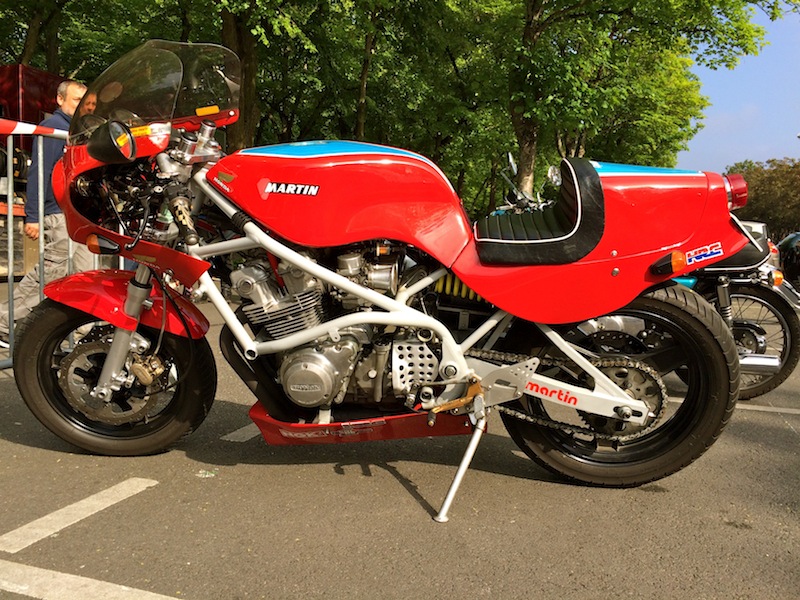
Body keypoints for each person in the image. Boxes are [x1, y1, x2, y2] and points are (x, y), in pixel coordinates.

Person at [0, 80, 94, 348]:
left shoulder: (79, 131)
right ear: (60, 100)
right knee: (53, 269)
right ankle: (5, 322)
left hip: (79, 214)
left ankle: (78, 334)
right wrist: (33, 215)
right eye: (78, 101)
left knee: (85, 275)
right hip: (58, 212)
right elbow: (39, 171)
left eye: (87, 103)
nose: (83, 108)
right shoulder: (54, 128)